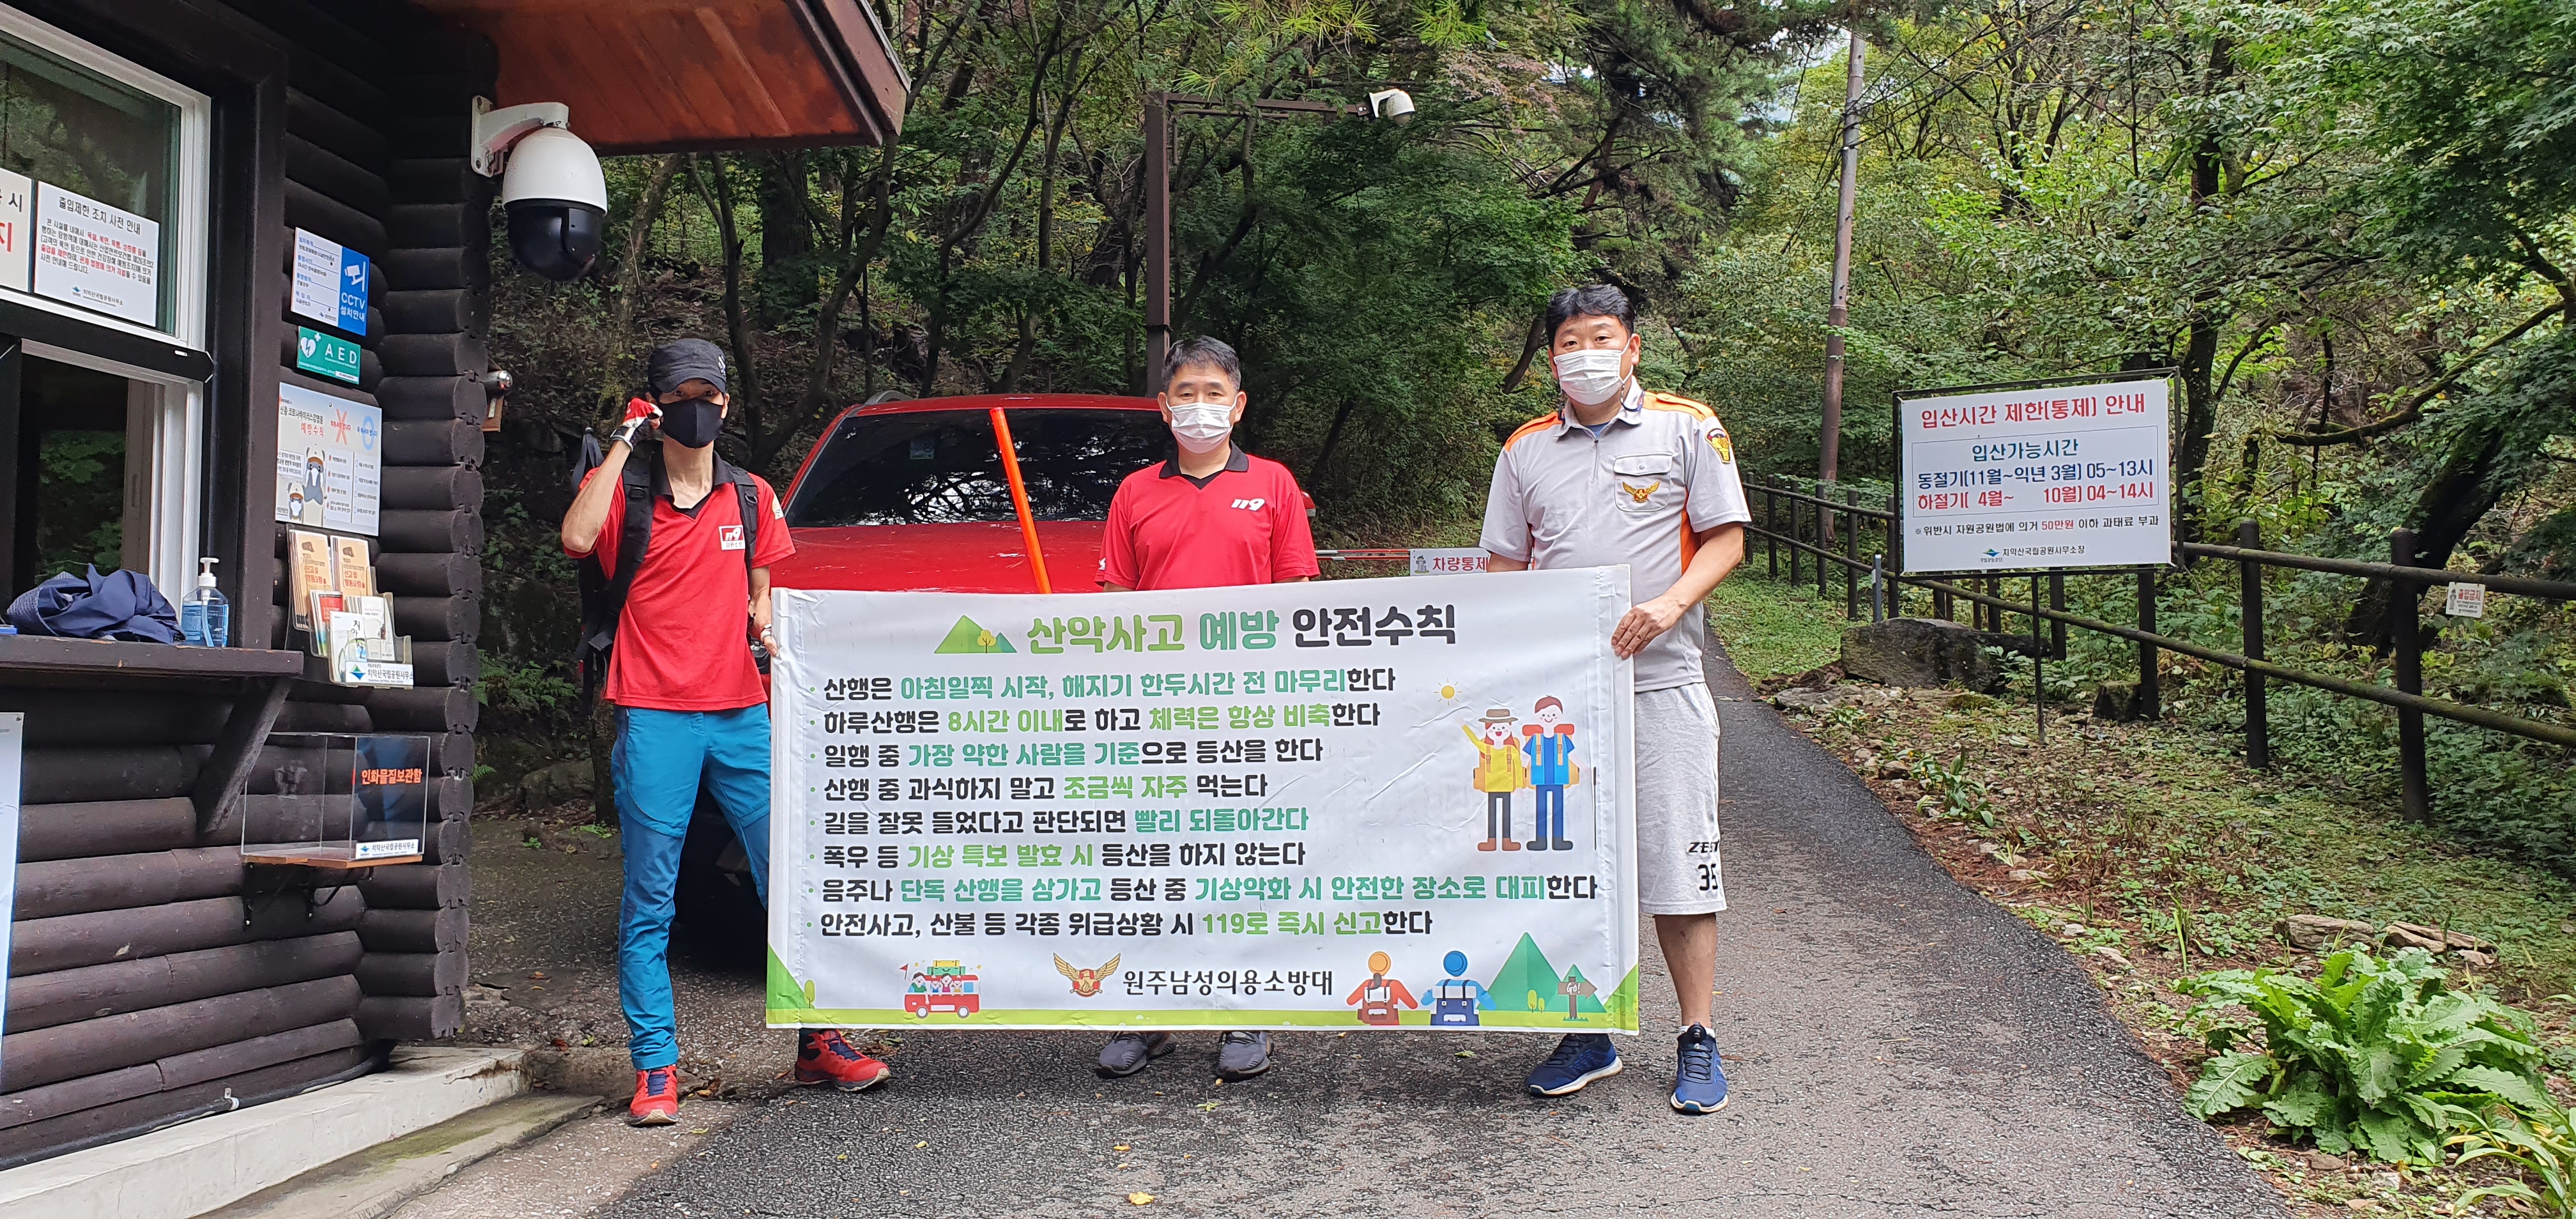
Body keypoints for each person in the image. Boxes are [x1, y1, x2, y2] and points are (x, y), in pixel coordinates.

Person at [560, 338, 890, 1126]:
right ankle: (655, 1069)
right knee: (651, 899)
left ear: (726, 405)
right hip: (654, 715)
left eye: (707, 396)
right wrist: (622, 440)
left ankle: (818, 1043)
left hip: (743, 716)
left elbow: (761, 589)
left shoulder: (751, 495)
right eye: (679, 397)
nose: (696, 410)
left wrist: (763, 620)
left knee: (793, 885)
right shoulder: (627, 493)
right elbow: (576, 537)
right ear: (656, 406)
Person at [1478, 284, 1749, 1114]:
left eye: (1602, 338)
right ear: (1551, 358)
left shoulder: (1687, 427)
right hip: (1560, 704)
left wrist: (1670, 604)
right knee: (1568, 865)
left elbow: (1727, 540)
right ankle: (1587, 1030)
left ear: (1633, 347)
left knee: (1677, 863)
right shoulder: (1525, 450)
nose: (1585, 354)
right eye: (1570, 341)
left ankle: (1697, 1036)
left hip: (1663, 684)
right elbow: (1503, 568)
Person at [1094, 335, 1319, 1080]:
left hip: (1247, 708)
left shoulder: (1275, 485)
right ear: (1164, 407)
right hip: (1157, 711)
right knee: (1154, 860)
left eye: (1214, 393)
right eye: (1185, 394)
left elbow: (1295, 599)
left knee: (1239, 861)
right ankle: (1147, 1014)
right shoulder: (1134, 493)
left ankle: (1244, 1010)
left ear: (1239, 404)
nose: (1200, 407)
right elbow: (1115, 605)